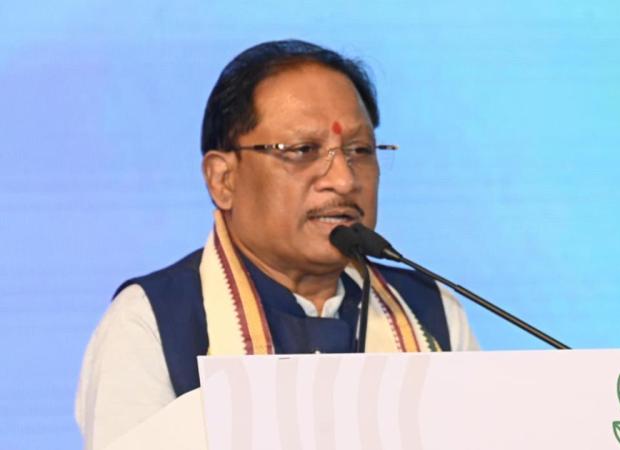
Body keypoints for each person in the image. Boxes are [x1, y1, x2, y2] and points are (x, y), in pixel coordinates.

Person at [75, 39, 478, 449]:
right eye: (303, 150)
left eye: (359, 150)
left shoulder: (431, 312)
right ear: (223, 179)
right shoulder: (154, 322)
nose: (344, 180)